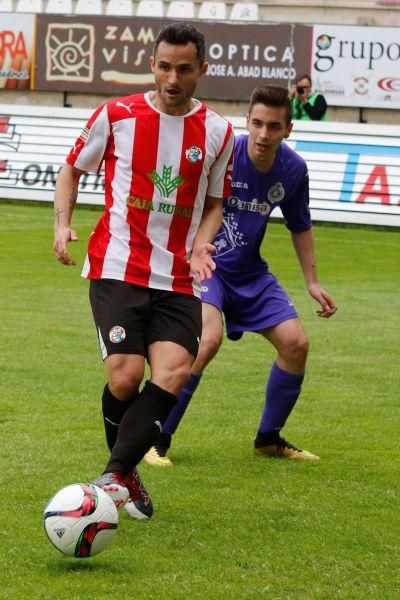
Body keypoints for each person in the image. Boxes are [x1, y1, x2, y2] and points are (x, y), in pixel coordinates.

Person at [53, 23, 234, 519]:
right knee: (125, 377)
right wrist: (63, 224)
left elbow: (216, 202)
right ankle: (126, 474)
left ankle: (111, 476)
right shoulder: (117, 115)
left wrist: (200, 246)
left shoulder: (218, 131)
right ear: (152, 64)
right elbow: (71, 168)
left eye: (184, 68)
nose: (172, 78)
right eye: (163, 66)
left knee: (174, 371)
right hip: (117, 264)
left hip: (177, 276)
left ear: (202, 70)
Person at [144, 84, 337, 468]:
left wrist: (313, 283)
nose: (264, 134)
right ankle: (155, 438)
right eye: (258, 124)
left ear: (288, 129)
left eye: (274, 126)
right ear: (246, 121)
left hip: (250, 272)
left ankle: (268, 439)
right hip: (208, 266)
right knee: (207, 339)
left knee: (296, 343)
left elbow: (300, 225)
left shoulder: (294, 170)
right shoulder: (224, 151)